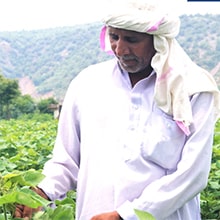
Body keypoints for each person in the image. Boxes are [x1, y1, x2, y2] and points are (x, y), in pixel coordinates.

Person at [15, 1, 220, 219]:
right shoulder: (87, 83)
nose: (120, 49)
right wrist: (41, 192)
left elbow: (192, 176)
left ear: (158, 40)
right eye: (114, 37)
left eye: (132, 40)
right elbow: (66, 161)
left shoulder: (192, 89)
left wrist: (125, 215)